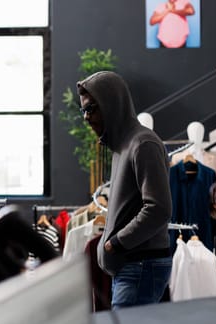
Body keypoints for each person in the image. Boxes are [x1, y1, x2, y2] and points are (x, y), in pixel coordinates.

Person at [76, 71, 172, 309]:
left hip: (140, 266)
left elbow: (159, 209)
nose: (86, 118)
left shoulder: (143, 144)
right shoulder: (124, 146)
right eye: (84, 111)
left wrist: (115, 243)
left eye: (91, 109)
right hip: (133, 267)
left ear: (111, 104)